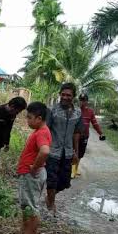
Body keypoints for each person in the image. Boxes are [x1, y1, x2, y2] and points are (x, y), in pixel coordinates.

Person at [15, 102, 52, 234]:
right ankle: (27, 233)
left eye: (29, 117)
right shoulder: (41, 131)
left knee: (30, 205)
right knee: (27, 204)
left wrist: (34, 168)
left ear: (39, 118)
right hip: (32, 173)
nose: (27, 120)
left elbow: (45, 151)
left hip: (32, 174)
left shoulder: (41, 133)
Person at [45, 83, 83, 214]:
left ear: (73, 97)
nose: (65, 97)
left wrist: (76, 152)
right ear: (60, 94)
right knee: (51, 180)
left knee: (65, 182)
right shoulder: (52, 110)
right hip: (52, 151)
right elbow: (46, 130)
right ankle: (51, 203)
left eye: (69, 95)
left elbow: (76, 133)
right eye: (63, 94)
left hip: (67, 152)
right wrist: (43, 149)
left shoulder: (78, 112)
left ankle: (50, 197)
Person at [72, 93, 105, 178]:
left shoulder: (90, 112)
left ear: (87, 102)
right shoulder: (74, 110)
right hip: (74, 136)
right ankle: (72, 170)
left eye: (84, 100)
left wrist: (101, 133)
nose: (82, 102)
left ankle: (75, 169)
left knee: (80, 153)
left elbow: (95, 124)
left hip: (84, 136)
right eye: (81, 100)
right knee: (73, 152)